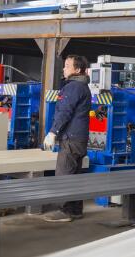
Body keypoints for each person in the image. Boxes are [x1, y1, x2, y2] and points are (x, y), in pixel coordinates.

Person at [43, 54, 91, 222]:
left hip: (70, 138)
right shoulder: (83, 86)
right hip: (79, 138)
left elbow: (64, 112)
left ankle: (65, 210)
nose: (64, 69)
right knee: (75, 175)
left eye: (67, 66)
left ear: (77, 70)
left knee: (64, 174)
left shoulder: (73, 87)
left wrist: (53, 132)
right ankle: (75, 210)